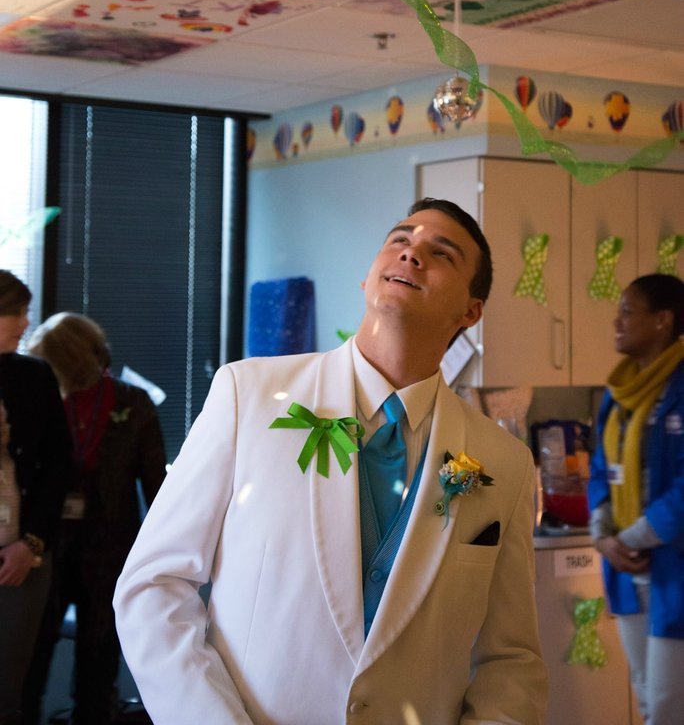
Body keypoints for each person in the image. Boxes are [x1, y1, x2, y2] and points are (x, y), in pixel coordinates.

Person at [114, 198, 548, 725]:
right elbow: (153, 585)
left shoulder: (504, 462)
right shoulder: (248, 395)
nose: (411, 254)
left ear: (471, 312)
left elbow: (511, 658)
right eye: (400, 239)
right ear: (367, 278)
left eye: (441, 253)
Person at [21, 313, 167, 725]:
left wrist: (160, 556)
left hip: (110, 548)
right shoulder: (40, 401)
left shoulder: (133, 403)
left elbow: (156, 486)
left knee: (99, 658)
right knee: (30, 655)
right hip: (44, 545)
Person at [588, 274, 684, 725]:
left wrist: (628, 539)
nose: (616, 322)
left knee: (667, 705)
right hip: (625, 566)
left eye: (628, 312)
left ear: (663, 320)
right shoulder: (619, 391)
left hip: (670, 567)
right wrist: (601, 532)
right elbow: (601, 468)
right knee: (647, 697)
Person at [0, 271, 72, 725]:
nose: (26, 322)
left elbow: (58, 466)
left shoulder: (35, 375)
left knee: (8, 692)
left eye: (27, 311)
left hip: (22, 552)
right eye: (15, 312)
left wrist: (31, 544)